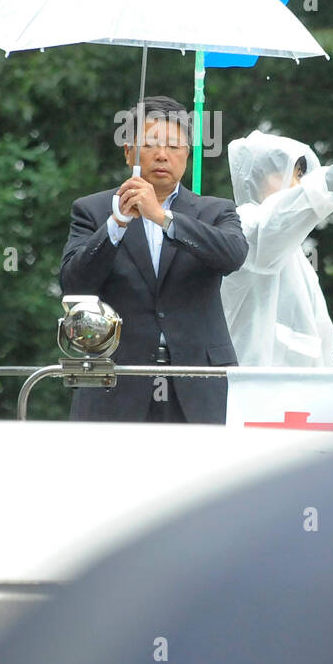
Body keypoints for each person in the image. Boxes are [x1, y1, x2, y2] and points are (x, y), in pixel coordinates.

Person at [60, 95, 249, 423]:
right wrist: (117, 223)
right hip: (115, 378)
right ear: (128, 152)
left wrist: (163, 217)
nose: (162, 155)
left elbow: (232, 256)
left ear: (187, 155)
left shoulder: (215, 210)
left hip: (198, 380)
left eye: (174, 147)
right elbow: (74, 284)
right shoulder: (92, 210)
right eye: (150, 144)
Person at [222, 119, 333, 367]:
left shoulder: (293, 249)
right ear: (257, 178)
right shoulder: (247, 227)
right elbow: (304, 200)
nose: (297, 185)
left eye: (300, 176)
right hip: (253, 388)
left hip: (299, 392)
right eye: (288, 174)